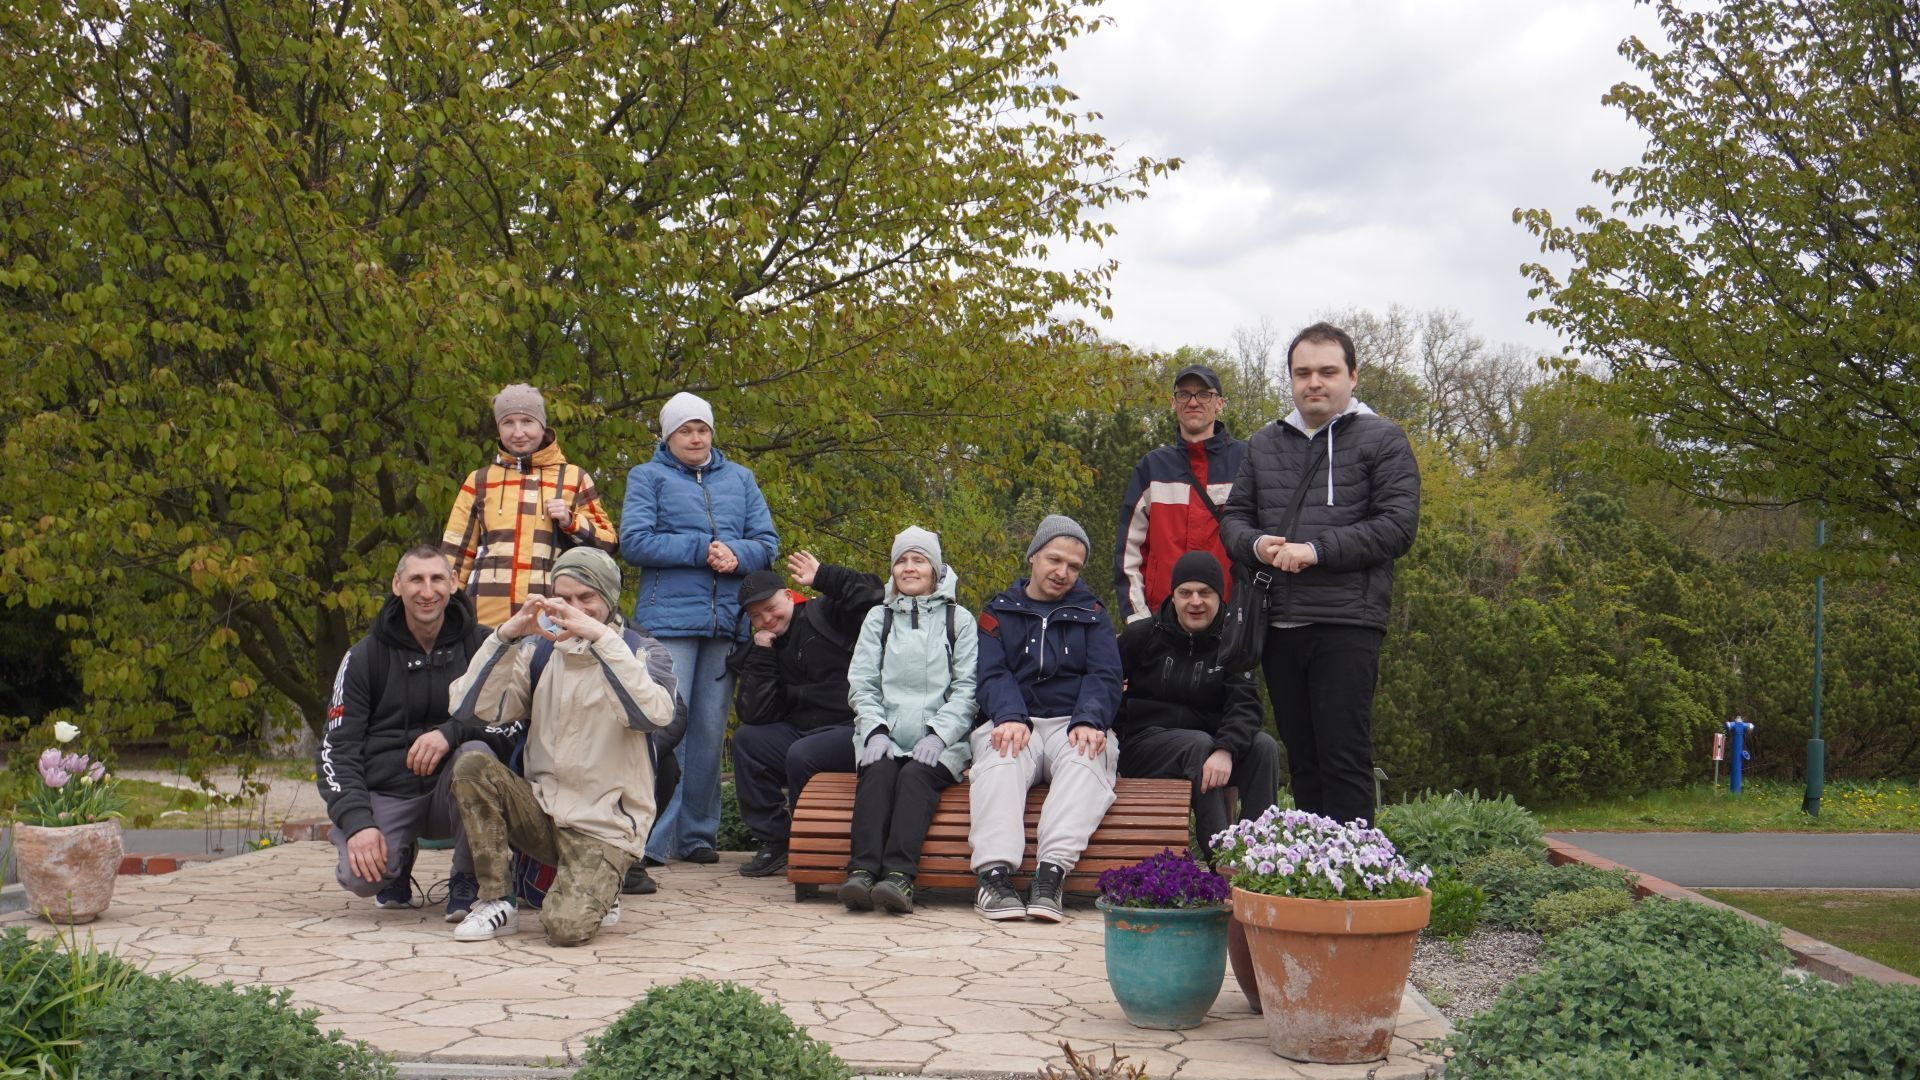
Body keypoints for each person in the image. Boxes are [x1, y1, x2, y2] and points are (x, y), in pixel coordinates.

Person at [1220, 322, 1420, 826]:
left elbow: (1397, 527)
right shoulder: (1264, 444)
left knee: (1344, 756)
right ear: (1290, 379)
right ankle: (1312, 874)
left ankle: (1354, 878)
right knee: (1302, 760)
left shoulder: (1385, 439)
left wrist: (1316, 551)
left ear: (1352, 376)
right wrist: (1257, 545)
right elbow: (1233, 523)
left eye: (1328, 371)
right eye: (1303, 372)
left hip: (1347, 622)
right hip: (1280, 622)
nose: (1315, 382)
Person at [444, 547, 679, 945]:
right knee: (471, 766)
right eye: (564, 599)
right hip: (545, 810)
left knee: (565, 929)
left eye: (586, 599)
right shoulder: (539, 653)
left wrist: (600, 639)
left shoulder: (643, 651)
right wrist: (505, 636)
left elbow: (651, 716)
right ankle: (497, 901)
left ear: (608, 599)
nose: (573, 609)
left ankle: (605, 883)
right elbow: (468, 709)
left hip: (605, 826)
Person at [619, 391, 779, 867]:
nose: (695, 437)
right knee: (665, 727)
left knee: (710, 732)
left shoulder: (742, 479)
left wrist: (737, 555)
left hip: (727, 621)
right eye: (685, 429)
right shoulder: (646, 476)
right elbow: (634, 541)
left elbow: (766, 543)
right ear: (668, 436)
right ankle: (651, 839)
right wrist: (702, 548)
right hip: (667, 621)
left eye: (702, 429)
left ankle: (697, 837)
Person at [317, 545, 506, 921]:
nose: (427, 590)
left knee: (477, 754)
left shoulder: (483, 645)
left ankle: (467, 877)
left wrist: (451, 733)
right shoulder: (364, 657)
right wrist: (358, 824)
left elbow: (512, 721)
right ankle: (395, 859)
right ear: (397, 585)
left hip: (452, 793)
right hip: (389, 790)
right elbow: (336, 751)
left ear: (454, 583)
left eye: (437, 578)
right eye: (416, 579)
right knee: (360, 878)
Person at [968, 515, 1123, 923]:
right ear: (1033, 556)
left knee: (1087, 757)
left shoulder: (1092, 613)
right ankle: (994, 876)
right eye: (1055, 560)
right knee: (1001, 757)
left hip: (1072, 720)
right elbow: (991, 672)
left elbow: (1104, 674)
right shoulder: (998, 612)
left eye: (1074, 566)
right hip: (1015, 718)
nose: (1063, 572)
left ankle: (1050, 875)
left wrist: (1090, 719)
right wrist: (1009, 714)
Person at [841, 527, 978, 913]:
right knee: (879, 774)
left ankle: (899, 877)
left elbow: (968, 689)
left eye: (918, 560)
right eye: (902, 560)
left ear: (935, 569)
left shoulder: (959, 620)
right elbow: (862, 683)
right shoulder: (878, 618)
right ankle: (862, 872)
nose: (909, 567)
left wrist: (938, 734)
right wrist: (875, 731)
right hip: (885, 734)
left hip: (941, 741)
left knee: (916, 777)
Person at [729, 551, 885, 877]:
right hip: (802, 732)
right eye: (756, 616)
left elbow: (875, 594)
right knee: (747, 741)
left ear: (789, 595)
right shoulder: (763, 645)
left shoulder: (826, 612)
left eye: (771, 608)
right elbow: (756, 714)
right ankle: (777, 841)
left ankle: (813, 846)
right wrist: (761, 654)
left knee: (802, 754)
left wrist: (825, 576)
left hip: (853, 728)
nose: (767, 619)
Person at [1115, 551, 1280, 855]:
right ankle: (1223, 862)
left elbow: (1245, 705)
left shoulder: (1232, 642)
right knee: (1198, 744)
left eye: (1205, 593)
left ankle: (1258, 855)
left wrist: (1226, 748)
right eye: (1185, 592)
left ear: (1219, 596)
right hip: (1144, 745)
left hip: (1205, 747)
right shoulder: (1141, 636)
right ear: (1173, 596)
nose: (1195, 601)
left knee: (1263, 747)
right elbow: (1105, 689)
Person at [440, 384, 619, 629]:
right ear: (498, 428)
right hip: (486, 621)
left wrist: (572, 522)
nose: (518, 432)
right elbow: (455, 556)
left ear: (542, 425)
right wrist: (447, 611)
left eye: (527, 421)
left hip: (552, 619)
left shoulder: (574, 478)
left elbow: (608, 543)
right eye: (508, 423)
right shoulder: (479, 481)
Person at [1114, 363, 1246, 624]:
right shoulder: (1153, 467)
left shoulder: (1246, 460)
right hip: (1162, 622)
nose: (1193, 402)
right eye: (1184, 394)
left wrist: (1249, 617)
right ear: (1174, 403)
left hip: (1230, 623)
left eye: (1204, 394)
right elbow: (1130, 551)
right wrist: (1137, 619)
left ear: (1219, 403)